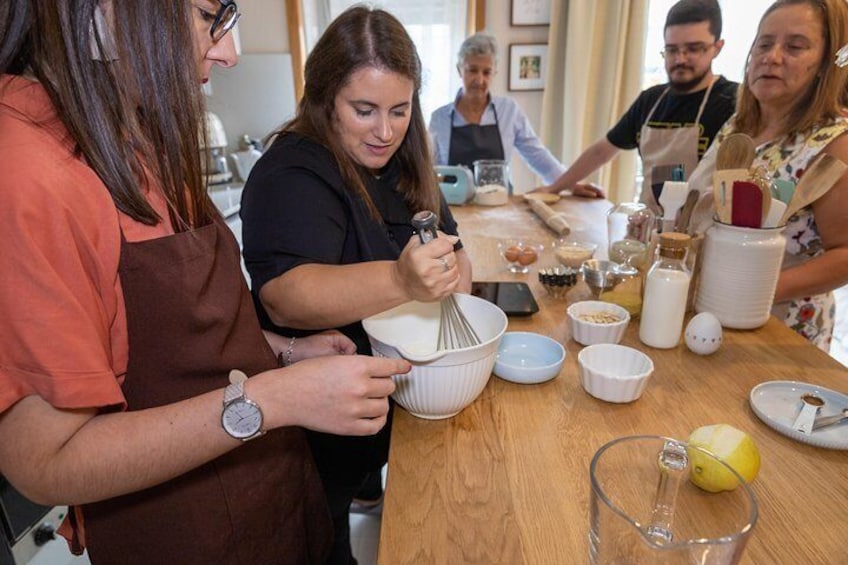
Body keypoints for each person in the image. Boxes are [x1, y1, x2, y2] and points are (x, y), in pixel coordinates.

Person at [0, 1, 410, 563]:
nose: (230, 51)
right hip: (189, 536)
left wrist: (286, 351)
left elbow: (173, 341)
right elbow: (48, 461)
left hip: (279, 501)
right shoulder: (25, 167)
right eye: (206, 14)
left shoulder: (136, 129)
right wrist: (274, 399)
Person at [240, 6, 472, 564]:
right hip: (314, 429)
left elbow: (455, 249)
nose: (385, 131)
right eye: (363, 110)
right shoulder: (293, 172)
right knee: (322, 541)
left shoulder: (405, 155)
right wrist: (401, 279)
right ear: (324, 99)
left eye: (400, 109)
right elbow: (286, 296)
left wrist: (453, 276)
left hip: (396, 404)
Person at [688, 0, 848, 351]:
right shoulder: (737, 126)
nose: (772, 57)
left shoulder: (834, 143)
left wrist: (754, 289)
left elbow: (845, 254)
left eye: (794, 46)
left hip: (778, 333)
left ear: (825, 64)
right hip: (709, 310)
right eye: (764, 43)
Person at [535, 0, 738, 210]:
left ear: (717, 48)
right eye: (672, 50)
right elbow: (601, 151)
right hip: (648, 231)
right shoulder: (650, 102)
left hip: (702, 235)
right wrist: (555, 188)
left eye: (693, 49)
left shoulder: (734, 102)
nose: (680, 59)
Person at [427, 33, 598, 196]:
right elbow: (429, 170)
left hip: (501, 208)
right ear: (459, 70)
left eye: (486, 72)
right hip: (455, 210)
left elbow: (538, 156)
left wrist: (571, 184)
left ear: (495, 73)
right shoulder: (439, 118)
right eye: (472, 70)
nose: (479, 80)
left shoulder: (508, 111)